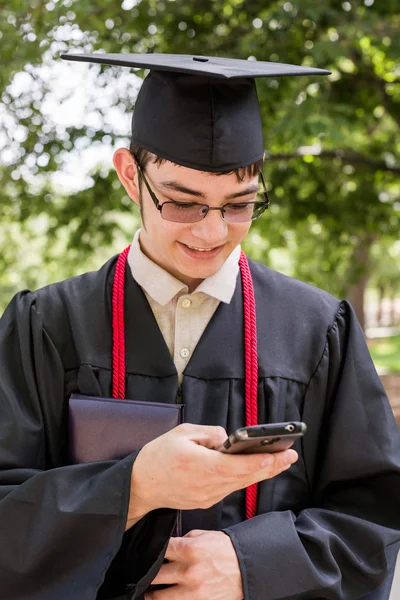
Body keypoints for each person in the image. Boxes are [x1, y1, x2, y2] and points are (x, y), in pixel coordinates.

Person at [0, 53, 399, 600]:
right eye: (184, 204)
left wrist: (255, 566)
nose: (213, 232)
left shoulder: (318, 331)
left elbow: (375, 518)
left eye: (239, 205)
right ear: (129, 175)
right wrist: (133, 487)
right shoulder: (45, 326)